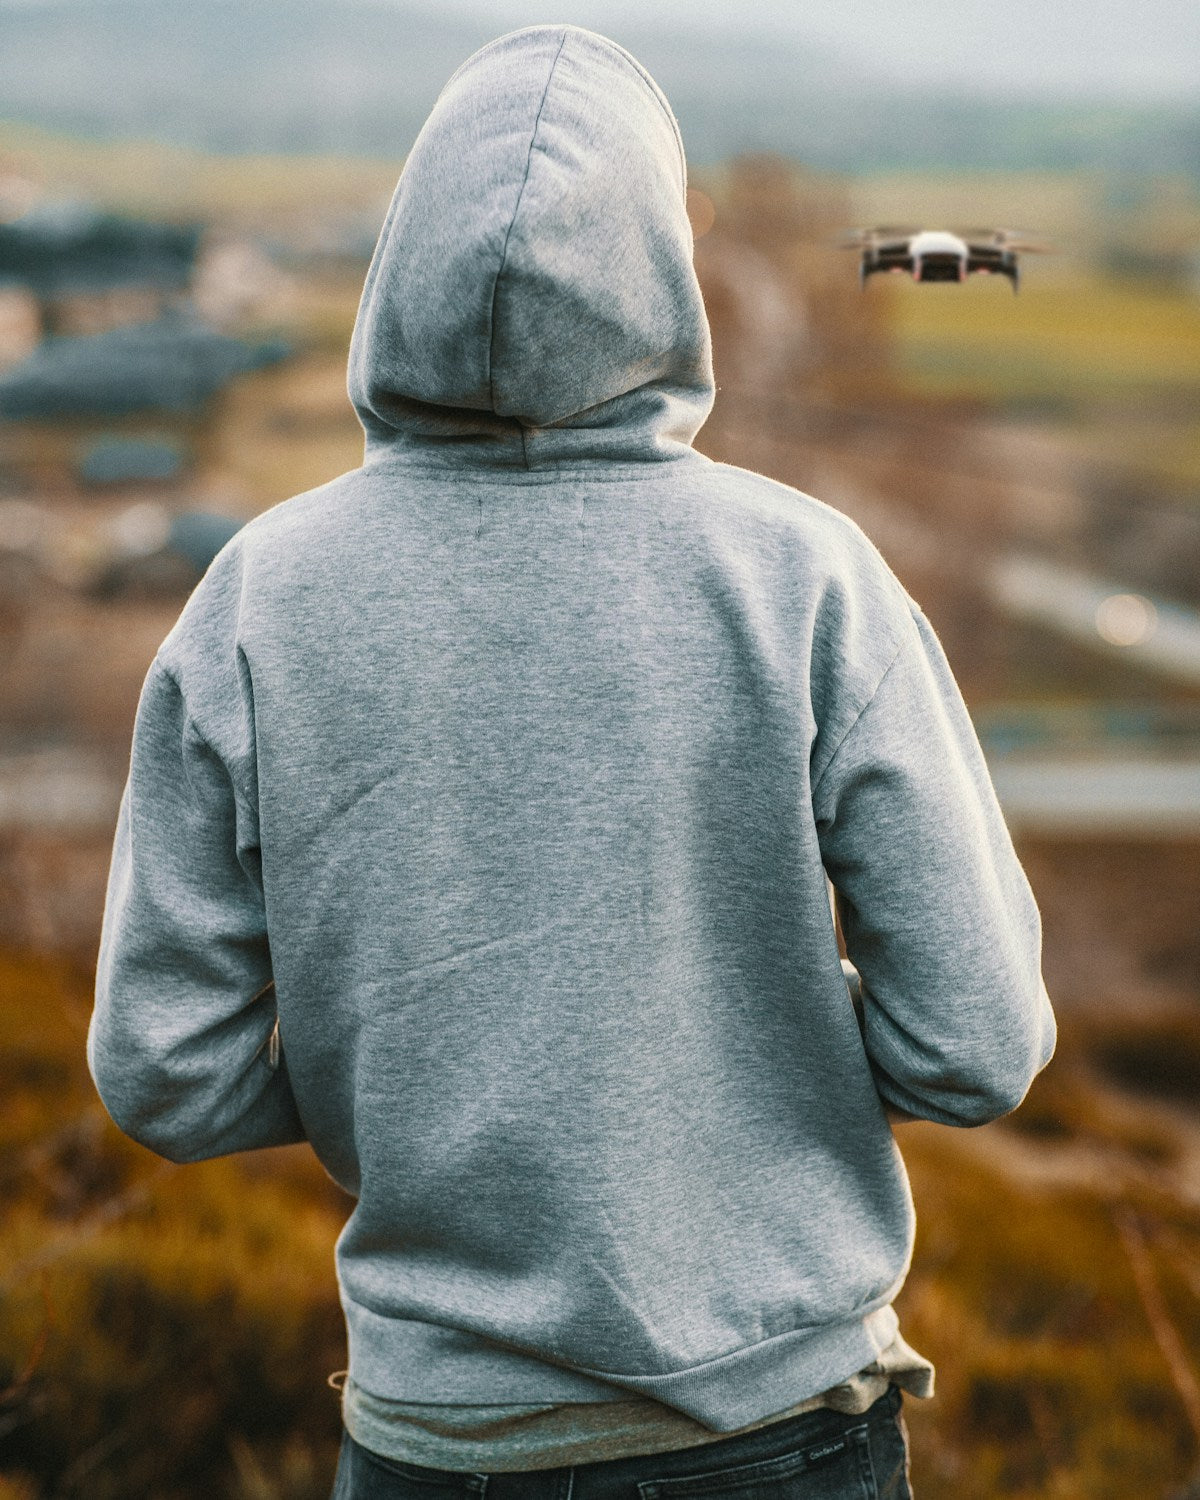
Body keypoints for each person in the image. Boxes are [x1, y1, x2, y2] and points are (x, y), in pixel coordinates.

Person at [87, 24, 1057, 1499]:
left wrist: (416, 1069)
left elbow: (165, 1071)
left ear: (399, 265)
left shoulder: (258, 598)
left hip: (431, 1446)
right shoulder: (802, 577)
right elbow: (974, 1044)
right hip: (778, 1437)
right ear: (661, 271)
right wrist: (735, 1042)